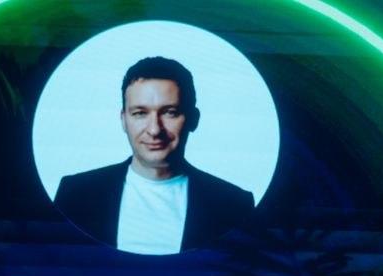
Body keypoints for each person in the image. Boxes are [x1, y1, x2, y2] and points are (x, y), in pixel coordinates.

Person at [54, 56, 255, 255]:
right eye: (140, 113)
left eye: (170, 112)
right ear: (123, 120)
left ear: (193, 119)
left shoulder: (234, 204)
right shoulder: (75, 193)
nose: (154, 130)